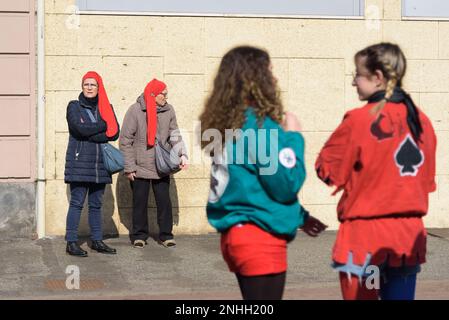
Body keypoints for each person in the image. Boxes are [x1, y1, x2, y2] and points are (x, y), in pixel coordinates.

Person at [199, 46, 327, 300]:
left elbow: (250, 184)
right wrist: (294, 137)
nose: (275, 79)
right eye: (269, 72)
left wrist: (301, 216)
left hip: (237, 234)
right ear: (255, 80)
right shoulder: (258, 127)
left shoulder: (229, 124)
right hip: (259, 239)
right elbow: (286, 184)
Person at [315, 43, 437, 300]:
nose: (353, 82)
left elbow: (328, 172)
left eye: (357, 74)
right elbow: (425, 182)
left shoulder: (359, 120)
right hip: (406, 239)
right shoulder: (422, 121)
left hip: (365, 242)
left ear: (378, 77)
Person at [119, 79, 188, 249]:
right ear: (152, 94)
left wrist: (182, 153)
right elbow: (125, 141)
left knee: (164, 202)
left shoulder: (168, 110)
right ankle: (139, 235)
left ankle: (166, 235)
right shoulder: (135, 110)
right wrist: (129, 167)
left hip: (161, 165)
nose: (166, 97)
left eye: (166, 93)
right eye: (162, 94)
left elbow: (175, 134)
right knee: (139, 203)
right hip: (139, 165)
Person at [64, 71, 120, 257]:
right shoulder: (74, 106)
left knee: (96, 205)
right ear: (82, 86)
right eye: (86, 84)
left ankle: (96, 240)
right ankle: (71, 242)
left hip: (100, 164)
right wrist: (103, 125)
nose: (89, 88)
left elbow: (114, 133)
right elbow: (78, 128)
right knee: (77, 203)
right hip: (80, 162)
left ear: (99, 88)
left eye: (93, 85)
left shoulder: (106, 107)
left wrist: (91, 132)